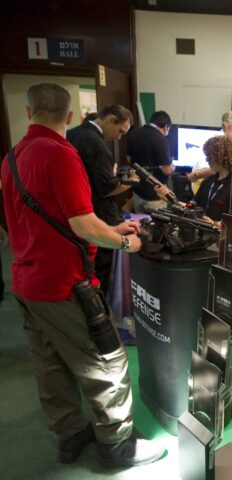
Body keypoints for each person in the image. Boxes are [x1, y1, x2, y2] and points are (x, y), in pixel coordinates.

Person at [0, 83, 165, 468]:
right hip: (65, 284)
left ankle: (70, 436)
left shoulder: (11, 158)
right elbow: (84, 225)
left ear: (28, 113)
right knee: (107, 363)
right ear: (70, 115)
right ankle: (118, 444)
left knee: (51, 364)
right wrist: (124, 244)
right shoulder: (60, 155)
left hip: (26, 284)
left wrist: (111, 231)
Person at [67, 104, 137, 295]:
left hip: (77, 211)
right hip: (99, 214)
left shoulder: (72, 134)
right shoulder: (96, 144)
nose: (119, 137)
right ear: (109, 119)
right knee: (100, 271)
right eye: (119, 131)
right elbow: (106, 189)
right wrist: (130, 182)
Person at [127, 110, 174, 212]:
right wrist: (172, 167)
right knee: (155, 225)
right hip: (155, 194)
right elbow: (167, 170)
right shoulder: (160, 139)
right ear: (166, 127)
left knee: (140, 223)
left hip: (137, 190)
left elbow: (129, 159)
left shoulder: (133, 134)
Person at [193, 135, 232, 227]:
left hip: (221, 238)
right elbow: (193, 205)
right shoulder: (208, 181)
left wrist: (215, 224)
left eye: (209, 156)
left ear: (221, 157)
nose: (207, 160)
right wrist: (173, 200)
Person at [187, 110, 232, 183]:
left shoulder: (228, 144)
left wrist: (196, 174)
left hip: (228, 185)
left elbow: (216, 168)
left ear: (225, 126)